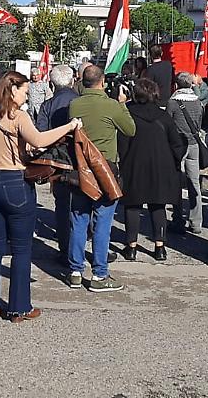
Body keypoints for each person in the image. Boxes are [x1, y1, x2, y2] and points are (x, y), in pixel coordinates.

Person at [0, 71, 81, 322]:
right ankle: (19, 308)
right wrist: (70, 126)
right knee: (22, 249)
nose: (27, 95)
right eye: (24, 91)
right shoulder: (19, 116)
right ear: (13, 90)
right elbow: (39, 139)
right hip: (15, 182)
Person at [67, 65, 135, 292]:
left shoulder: (75, 105)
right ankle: (99, 274)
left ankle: (75, 271)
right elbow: (130, 130)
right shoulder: (111, 105)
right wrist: (122, 104)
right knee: (103, 221)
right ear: (103, 81)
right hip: (105, 167)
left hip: (81, 168)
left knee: (79, 219)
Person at [118, 78, 186, 261]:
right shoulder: (163, 116)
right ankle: (160, 247)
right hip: (161, 165)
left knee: (132, 206)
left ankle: (131, 247)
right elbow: (176, 144)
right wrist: (174, 162)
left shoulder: (128, 115)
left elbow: (122, 144)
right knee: (158, 206)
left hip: (134, 165)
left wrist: (123, 162)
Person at [35, 64, 80, 254]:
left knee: (61, 204)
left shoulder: (47, 105)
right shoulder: (80, 101)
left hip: (57, 160)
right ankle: (78, 247)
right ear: (72, 81)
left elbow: (41, 134)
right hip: (79, 158)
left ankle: (64, 247)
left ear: (51, 84)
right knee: (81, 205)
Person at [168, 71, 206, 234]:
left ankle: (178, 219)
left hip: (178, 145)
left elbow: (168, 123)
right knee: (194, 182)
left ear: (176, 85)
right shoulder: (197, 102)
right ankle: (196, 222)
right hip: (194, 144)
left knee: (176, 182)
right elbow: (199, 123)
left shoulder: (172, 102)